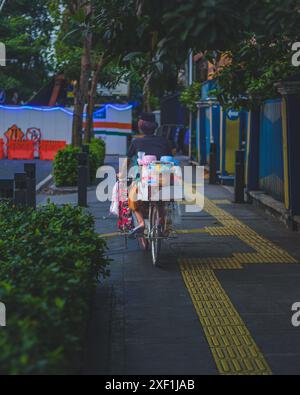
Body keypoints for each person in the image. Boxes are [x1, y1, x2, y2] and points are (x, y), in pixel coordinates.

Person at [124, 112, 173, 236]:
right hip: (163, 179)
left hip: (145, 180)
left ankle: (141, 222)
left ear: (140, 126)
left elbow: (127, 160)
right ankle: (161, 220)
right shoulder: (164, 141)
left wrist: (122, 173)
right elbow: (170, 158)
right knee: (161, 198)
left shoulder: (136, 142)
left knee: (132, 196)